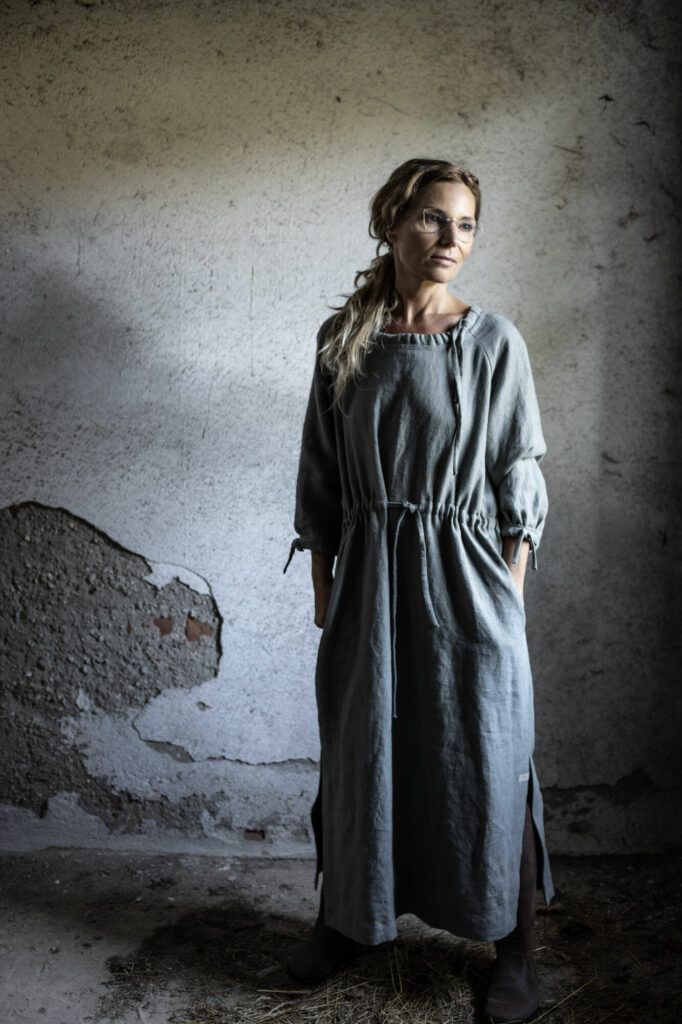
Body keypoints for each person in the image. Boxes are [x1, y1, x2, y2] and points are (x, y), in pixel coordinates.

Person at [284, 158, 553, 1023]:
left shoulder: (493, 342)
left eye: (466, 224)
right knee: (360, 753)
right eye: (435, 219)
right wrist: (326, 588)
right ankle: (346, 920)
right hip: (369, 584)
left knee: (488, 756)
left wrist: (507, 597)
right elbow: (321, 477)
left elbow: (518, 480)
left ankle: (516, 951)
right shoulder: (343, 340)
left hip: (469, 583)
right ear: (392, 223)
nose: (451, 239)